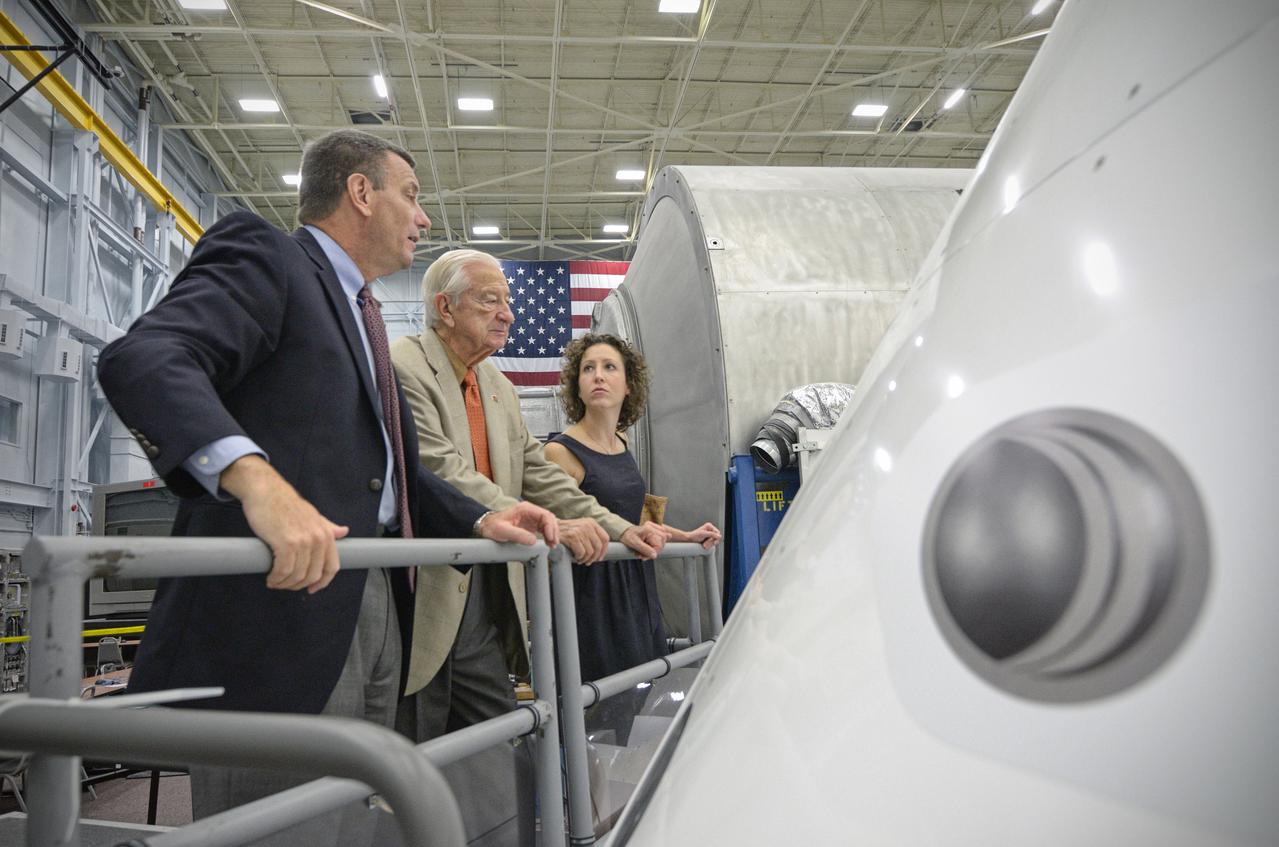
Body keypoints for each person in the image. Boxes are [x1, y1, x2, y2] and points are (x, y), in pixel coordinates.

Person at [95, 129, 557, 841]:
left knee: (348, 813)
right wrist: (259, 483)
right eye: (411, 195)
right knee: (283, 821)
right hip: (280, 602)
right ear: (361, 193)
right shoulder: (268, 256)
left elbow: (394, 466)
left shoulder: (365, 311)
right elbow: (146, 358)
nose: (423, 218)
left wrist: (478, 521)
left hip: (370, 593)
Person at [388, 251, 668, 844]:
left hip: (489, 604)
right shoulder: (403, 366)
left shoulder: (497, 385)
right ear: (444, 307)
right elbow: (439, 468)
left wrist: (621, 530)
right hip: (425, 599)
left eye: (509, 303)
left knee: (497, 738)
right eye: (490, 301)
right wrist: (539, 520)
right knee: (417, 755)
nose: (508, 316)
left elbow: (540, 478)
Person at [545, 334, 721, 689]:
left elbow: (632, 519)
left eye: (610, 367)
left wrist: (684, 536)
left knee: (642, 692)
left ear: (628, 386)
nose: (598, 376)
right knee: (600, 705)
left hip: (637, 590)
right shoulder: (560, 452)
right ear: (576, 387)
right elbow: (554, 527)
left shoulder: (623, 444)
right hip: (591, 598)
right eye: (588, 369)